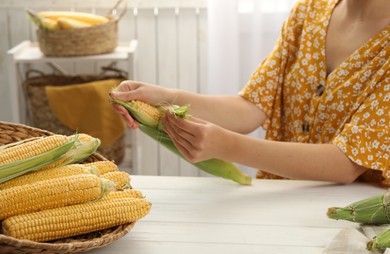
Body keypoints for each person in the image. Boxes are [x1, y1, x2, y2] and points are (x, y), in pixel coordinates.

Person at [110, 0, 389, 186]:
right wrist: (164, 96)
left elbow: (346, 163)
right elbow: (251, 106)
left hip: (353, 223)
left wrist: (228, 146)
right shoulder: (310, 11)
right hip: (279, 202)